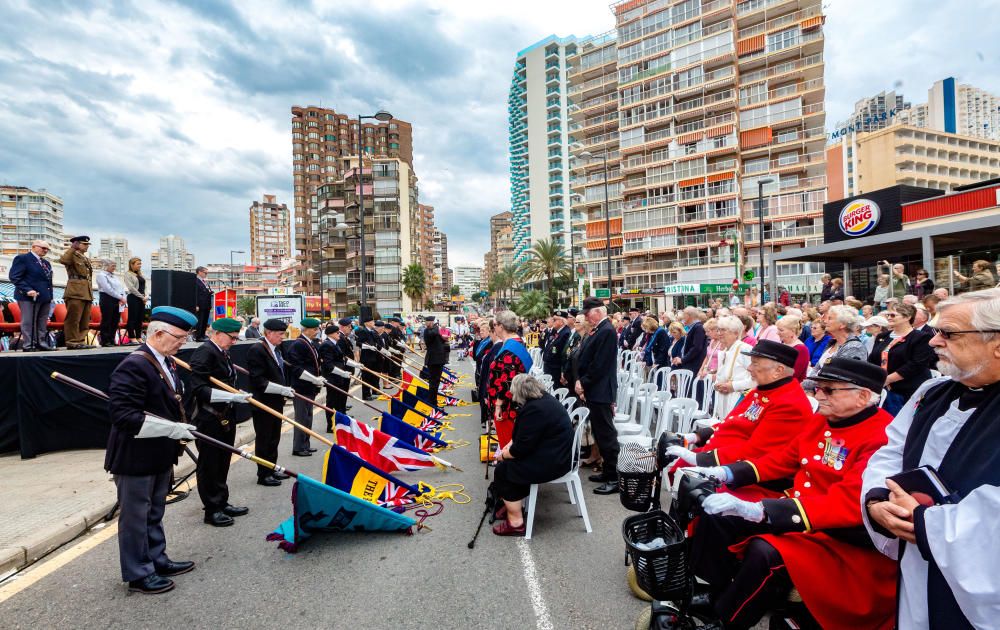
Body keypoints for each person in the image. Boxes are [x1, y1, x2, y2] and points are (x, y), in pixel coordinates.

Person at [687, 359, 896, 630]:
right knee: (718, 515)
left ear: (863, 397)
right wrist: (728, 473)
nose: (818, 395)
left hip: (837, 534)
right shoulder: (823, 419)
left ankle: (726, 621)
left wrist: (764, 509)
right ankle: (717, 589)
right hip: (801, 510)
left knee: (766, 552)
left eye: (829, 390)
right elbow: (784, 459)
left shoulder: (881, 436)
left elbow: (847, 502)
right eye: (818, 387)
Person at [863, 288, 1000, 628]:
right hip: (920, 560)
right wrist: (878, 498)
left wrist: (926, 522)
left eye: (948, 333)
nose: (934, 342)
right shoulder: (932, 392)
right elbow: (891, 451)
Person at [106, 306, 199, 594]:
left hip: (159, 452)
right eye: (179, 337)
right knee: (135, 517)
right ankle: (138, 572)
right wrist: (172, 429)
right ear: (158, 334)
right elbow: (123, 416)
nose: (183, 342)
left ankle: (157, 558)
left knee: (154, 512)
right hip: (135, 455)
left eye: (185, 338)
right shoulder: (135, 365)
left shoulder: (167, 362)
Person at [668, 341, 812, 482]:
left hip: (738, 470)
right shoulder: (764, 390)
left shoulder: (789, 403)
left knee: (690, 488)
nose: (749, 368)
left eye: (755, 363)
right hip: (720, 455)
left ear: (778, 371)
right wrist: (696, 436)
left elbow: (756, 450)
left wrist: (700, 459)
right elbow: (733, 422)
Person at [491, 374, 575, 536]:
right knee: (508, 465)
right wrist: (508, 449)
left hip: (555, 461)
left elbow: (520, 449)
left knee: (504, 469)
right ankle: (511, 504)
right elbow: (522, 438)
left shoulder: (534, 409)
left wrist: (503, 455)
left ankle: (516, 522)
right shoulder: (543, 400)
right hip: (557, 453)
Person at [188, 317, 251, 526]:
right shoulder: (205, 352)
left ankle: (222, 502)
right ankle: (212, 508)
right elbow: (199, 389)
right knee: (210, 464)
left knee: (223, 461)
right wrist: (231, 397)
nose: (234, 341)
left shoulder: (222, 352)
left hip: (225, 415)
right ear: (217, 334)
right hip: (209, 417)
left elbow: (225, 381)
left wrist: (235, 394)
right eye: (232, 338)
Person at [575, 297, 619, 495]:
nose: (585, 316)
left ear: (598, 311)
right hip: (596, 389)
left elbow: (599, 364)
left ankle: (614, 478)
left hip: (600, 390)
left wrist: (583, 381)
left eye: (588, 312)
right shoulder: (600, 329)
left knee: (606, 435)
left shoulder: (607, 331)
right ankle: (606, 471)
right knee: (600, 434)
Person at [245, 318, 293, 487]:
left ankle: (272, 468)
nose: (283, 337)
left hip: (276, 401)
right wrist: (281, 389)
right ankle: (263, 473)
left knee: (274, 437)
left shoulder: (275, 349)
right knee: (264, 439)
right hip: (263, 402)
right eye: (280, 334)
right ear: (269, 333)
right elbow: (258, 380)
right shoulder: (257, 349)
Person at [867, 303, 934, 416]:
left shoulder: (921, 337)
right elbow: (873, 359)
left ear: (907, 317)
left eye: (893, 315)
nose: (889, 318)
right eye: (888, 315)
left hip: (908, 389)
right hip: (882, 388)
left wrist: (887, 380)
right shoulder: (882, 336)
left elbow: (916, 365)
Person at [484, 311, 531, 447]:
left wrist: (498, 404)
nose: (493, 328)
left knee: (507, 443)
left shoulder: (510, 350)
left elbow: (506, 381)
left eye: (494, 325)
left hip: (508, 406)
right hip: (513, 400)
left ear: (501, 326)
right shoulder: (515, 342)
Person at [802, 305, 867, 391]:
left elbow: (834, 377)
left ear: (842, 324)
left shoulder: (854, 347)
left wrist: (804, 386)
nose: (825, 321)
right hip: (820, 391)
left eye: (830, 318)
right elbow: (817, 368)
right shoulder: (832, 343)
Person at [286, 318, 325, 456]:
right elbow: (296, 368)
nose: (317, 332)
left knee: (308, 416)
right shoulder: (298, 344)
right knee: (301, 417)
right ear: (306, 330)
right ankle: (298, 447)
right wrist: (314, 379)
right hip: (302, 386)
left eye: (317, 329)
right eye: (314, 330)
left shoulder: (310, 343)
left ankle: (305, 444)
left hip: (310, 387)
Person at [9, 239, 54, 352]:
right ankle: (28, 345)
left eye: (47, 249)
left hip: (44, 296)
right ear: (34, 246)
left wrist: (50, 296)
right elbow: (15, 277)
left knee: (42, 321)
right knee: (28, 321)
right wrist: (27, 290)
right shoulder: (23, 259)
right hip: (28, 297)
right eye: (43, 248)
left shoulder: (46, 263)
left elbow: (48, 281)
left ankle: (41, 343)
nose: (45, 251)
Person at [712, 315, 754, 419]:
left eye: (723, 330)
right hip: (724, 399)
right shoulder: (726, 350)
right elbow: (721, 376)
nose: (719, 333)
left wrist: (734, 386)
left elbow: (757, 379)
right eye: (718, 330)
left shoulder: (745, 349)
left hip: (739, 399)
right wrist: (717, 384)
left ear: (736, 333)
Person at [59, 235, 96, 349]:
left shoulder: (84, 258)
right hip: (75, 291)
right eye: (84, 244)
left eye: (87, 244)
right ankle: (72, 341)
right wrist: (72, 248)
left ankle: (80, 340)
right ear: (76, 244)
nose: (87, 246)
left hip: (86, 291)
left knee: (85, 319)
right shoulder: (72, 255)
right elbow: (63, 260)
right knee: (73, 318)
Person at [319, 323, 349, 432]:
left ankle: (339, 423)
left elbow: (342, 359)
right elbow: (329, 365)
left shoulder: (335, 344)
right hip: (332, 378)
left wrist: (355, 365)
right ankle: (331, 425)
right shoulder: (327, 345)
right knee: (332, 402)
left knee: (340, 401)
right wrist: (342, 373)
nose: (339, 334)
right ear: (330, 334)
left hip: (339, 377)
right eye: (337, 333)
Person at [96, 260, 127, 347]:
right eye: (112, 266)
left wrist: (123, 297)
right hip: (107, 298)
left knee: (115, 320)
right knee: (107, 319)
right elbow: (107, 289)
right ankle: (105, 341)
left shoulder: (114, 276)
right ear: (106, 266)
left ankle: (112, 339)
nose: (114, 268)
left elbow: (121, 288)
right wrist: (120, 297)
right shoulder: (101, 275)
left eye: (115, 266)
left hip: (116, 299)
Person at [422, 315, 449, 403]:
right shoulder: (428, 331)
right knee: (433, 382)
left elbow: (441, 340)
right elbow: (433, 333)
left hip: (438, 360)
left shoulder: (434, 330)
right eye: (432, 322)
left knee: (436, 381)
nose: (434, 324)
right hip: (433, 360)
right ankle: (432, 401)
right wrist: (436, 326)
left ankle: (434, 400)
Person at [355, 315, 381, 400]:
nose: (374, 323)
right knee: (366, 377)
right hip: (366, 357)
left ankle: (372, 391)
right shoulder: (363, 331)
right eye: (372, 321)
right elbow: (358, 343)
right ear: (367, 323)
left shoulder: (372, 331)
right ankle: (366, 395)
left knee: (372, 376)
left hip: (373, 357)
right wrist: (368, 347)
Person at [775, 315, 809, 381]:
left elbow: (793, 375)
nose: (777, 333)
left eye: (781, 330)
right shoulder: (783, 344)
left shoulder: (801, 349)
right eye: (778, 329)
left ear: (793, 331)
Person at [674, 306, 707, 373]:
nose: (683, 317)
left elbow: (697, 348)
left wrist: (683, 359)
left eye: (684, 314)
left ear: (688, 316)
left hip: (694, 365)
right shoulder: (692, 327)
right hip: (688, 364)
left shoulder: (698, 328)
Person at [541, 311, 570, 385]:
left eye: (554, 320)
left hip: (555, 368)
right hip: (550, 366)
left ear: (561, 321)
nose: (552, 322)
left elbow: (563, 353)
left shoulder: (565, 333)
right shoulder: (558, 331)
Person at [123, 257, 146, 344]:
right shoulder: (128, 274)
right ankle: (132, 337)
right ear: (132, 265)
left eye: (140, 264)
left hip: (142, 298)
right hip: (133, 297)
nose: (140, 266)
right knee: (133, 318)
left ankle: (139, 337)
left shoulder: (140, 274)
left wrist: (145, 296)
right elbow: (131, 288)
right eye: (138, 264)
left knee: (140, 318)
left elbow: (145, 286)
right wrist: (142, 297)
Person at [192, 266, 214, 341]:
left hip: (206, 305)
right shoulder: (195, 281)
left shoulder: (204, 281)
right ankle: (198, 336)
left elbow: (204, 292)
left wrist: (209, 292)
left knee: (205, 321)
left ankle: (203, 335)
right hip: (200, 305)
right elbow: (194, 294)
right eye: (205, 273)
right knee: (200, 321)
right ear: (200, 272)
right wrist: (196, 305)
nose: (206, 274)